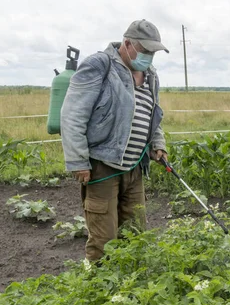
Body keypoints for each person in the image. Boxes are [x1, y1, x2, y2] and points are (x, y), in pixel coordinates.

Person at [60, 19, 168, 262]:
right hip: (102, 166)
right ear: (127, 44)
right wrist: (78, 160)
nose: (149, 57)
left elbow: (153, 114)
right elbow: (73, 114)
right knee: (104, 239)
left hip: (135, 168)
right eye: (145, 50)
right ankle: (99, 290)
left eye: (153, 52)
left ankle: (132, 289)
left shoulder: (150, 75)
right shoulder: (100, 65)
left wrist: (157, 144)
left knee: (136, 233)